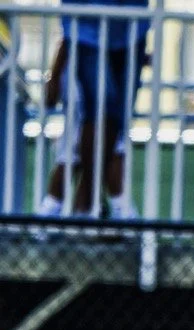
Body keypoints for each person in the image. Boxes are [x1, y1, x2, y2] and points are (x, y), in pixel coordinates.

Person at [58, 0, 149, 216]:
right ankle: (91, 201)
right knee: (101, 108)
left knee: (116, 118)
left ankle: (89, 201)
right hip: (86, 30)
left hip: (131, 30)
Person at [38, 40, 135, 219]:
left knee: (97, 143)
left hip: (102, 72)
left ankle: (60, 211)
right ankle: (121, 211)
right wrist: (56, 76)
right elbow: (71, 37)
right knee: (93, 142)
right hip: (85, 77)